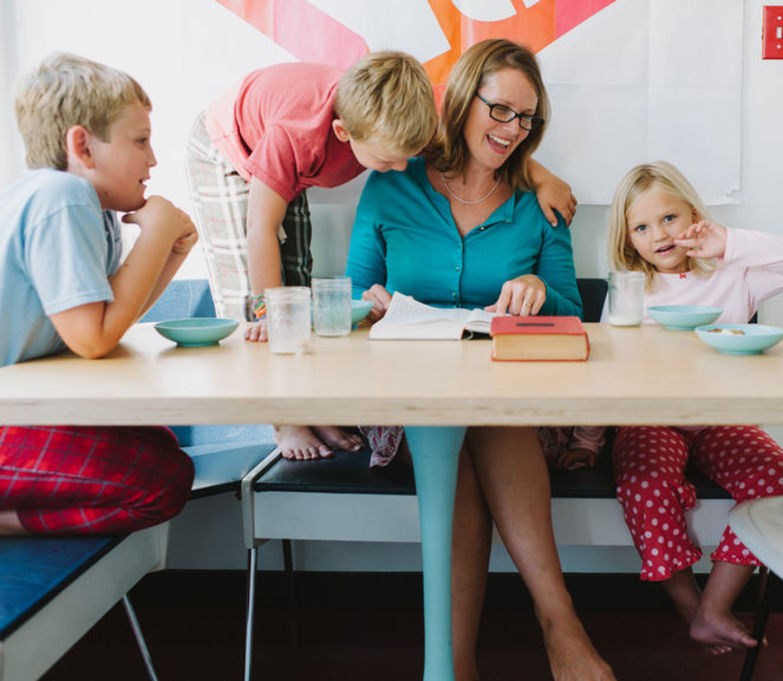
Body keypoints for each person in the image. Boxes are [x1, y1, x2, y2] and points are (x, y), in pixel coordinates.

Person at [346, 38, 614, 681]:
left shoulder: (540, 201)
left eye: (526, 119)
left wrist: (540, 291)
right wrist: (371, 302)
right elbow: (350, 296)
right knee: (453, 438)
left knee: (488, 420)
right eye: (500, 111)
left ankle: (543, 632)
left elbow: (574, 313)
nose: (512, 130)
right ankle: (536, 636)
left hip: (512, 409)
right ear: (463, 100)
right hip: (406, 406)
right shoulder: (392, 182)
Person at [186, 53, 575, 460]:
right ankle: (286, 422)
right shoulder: (294, 138)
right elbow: (260, 230)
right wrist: (267, 313)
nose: (401, 167)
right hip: (228, 148)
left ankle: (308, 409)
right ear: (342, 133)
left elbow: (483, 139)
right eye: (388, 160)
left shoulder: (402, 122)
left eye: (409, 155)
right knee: (263, 312)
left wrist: (544, 177)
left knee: (295, 293)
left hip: (292, 153)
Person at [541, 160, 783, 654]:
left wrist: (727, 244)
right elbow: (606, 371)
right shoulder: (631, 289)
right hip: (650, 420)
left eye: (670, 218)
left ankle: (716, 605)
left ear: (694, 215)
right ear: (629, 240)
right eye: (642, 227)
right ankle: (690, 607)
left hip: (721, 420)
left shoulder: (737, 277)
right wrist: (587, 442)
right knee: (645, 484)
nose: (660, 235)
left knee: (780, 480)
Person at [0, 53, 196, 535]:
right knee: (163, 479)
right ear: (83, 147)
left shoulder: (89, 204)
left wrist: (169, 251)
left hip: (20, 409)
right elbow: (93, 340)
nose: (152, 159)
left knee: (160, 446)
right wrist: (154, 235)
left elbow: (109, 319)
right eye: (141, 141)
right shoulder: (59, 197)